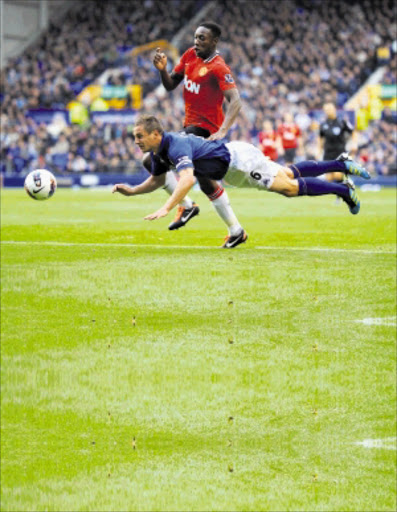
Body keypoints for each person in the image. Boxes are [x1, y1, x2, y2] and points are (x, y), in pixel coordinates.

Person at [113, 116, 371, 248]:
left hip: (239, 163)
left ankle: (343, 188)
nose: (136, 141)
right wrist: (133, 191)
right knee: (288, 175)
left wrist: (167, 207)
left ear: (156, 134)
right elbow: (158, 180)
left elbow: (188, 178)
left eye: (140, 136)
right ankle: (340, 164)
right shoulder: (158, 153)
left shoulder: (176, 144)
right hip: (234, 165)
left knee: (289, 189)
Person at [146, 21, 243, 236]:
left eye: (202, 38)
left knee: (150, 158)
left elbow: (235, 100)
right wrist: (162, 71)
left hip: (206, 131)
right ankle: (236, 230)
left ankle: (187, 206)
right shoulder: (190, 55)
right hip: (190, 127)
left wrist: (224, 130)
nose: (196, 41)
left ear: (214, 41)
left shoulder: (218, 67)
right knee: (206, 182)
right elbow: (171, 85)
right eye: (196, 37)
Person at [317, 102, 358, 182]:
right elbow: (320, 138)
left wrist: (354, 144)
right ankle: (338, 189)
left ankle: (342, 190)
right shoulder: (323, 124)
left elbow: (353, 132)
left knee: (338, 176)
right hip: (328, 153)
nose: (328, 111)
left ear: (334, 110)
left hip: (339, 152)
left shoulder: (342, 122)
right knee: (329, 178)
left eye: (329, 109)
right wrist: (319, 150)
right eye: (326, 110)